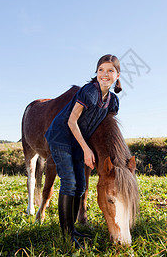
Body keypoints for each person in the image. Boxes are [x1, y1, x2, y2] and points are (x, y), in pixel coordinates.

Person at [45, 54, 122, 248]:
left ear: (117, 75)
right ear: (96, 73)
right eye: (101, 70)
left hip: (79, 143)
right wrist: (87, 150)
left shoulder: (112, 100)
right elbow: (72, 121)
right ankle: (66, 236)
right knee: (70, 183)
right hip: (61, 137)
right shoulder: (89, 91)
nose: (105, 74)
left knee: (80, 187)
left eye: (110, 70)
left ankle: (73, 229)